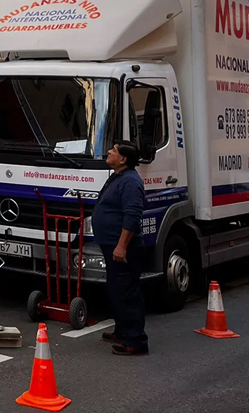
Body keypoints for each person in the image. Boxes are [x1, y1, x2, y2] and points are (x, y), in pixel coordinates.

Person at [92, 140, 149, 355]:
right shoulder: (119, 177)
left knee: (127, 292)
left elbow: (133, 215)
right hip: (111, 244)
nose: (109, 151)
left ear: (123, 159)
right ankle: (123, 330)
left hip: (123, 247)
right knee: (117, 290)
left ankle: (136, 341)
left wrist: (121, 246)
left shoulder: (131, 182)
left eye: (114, 150)